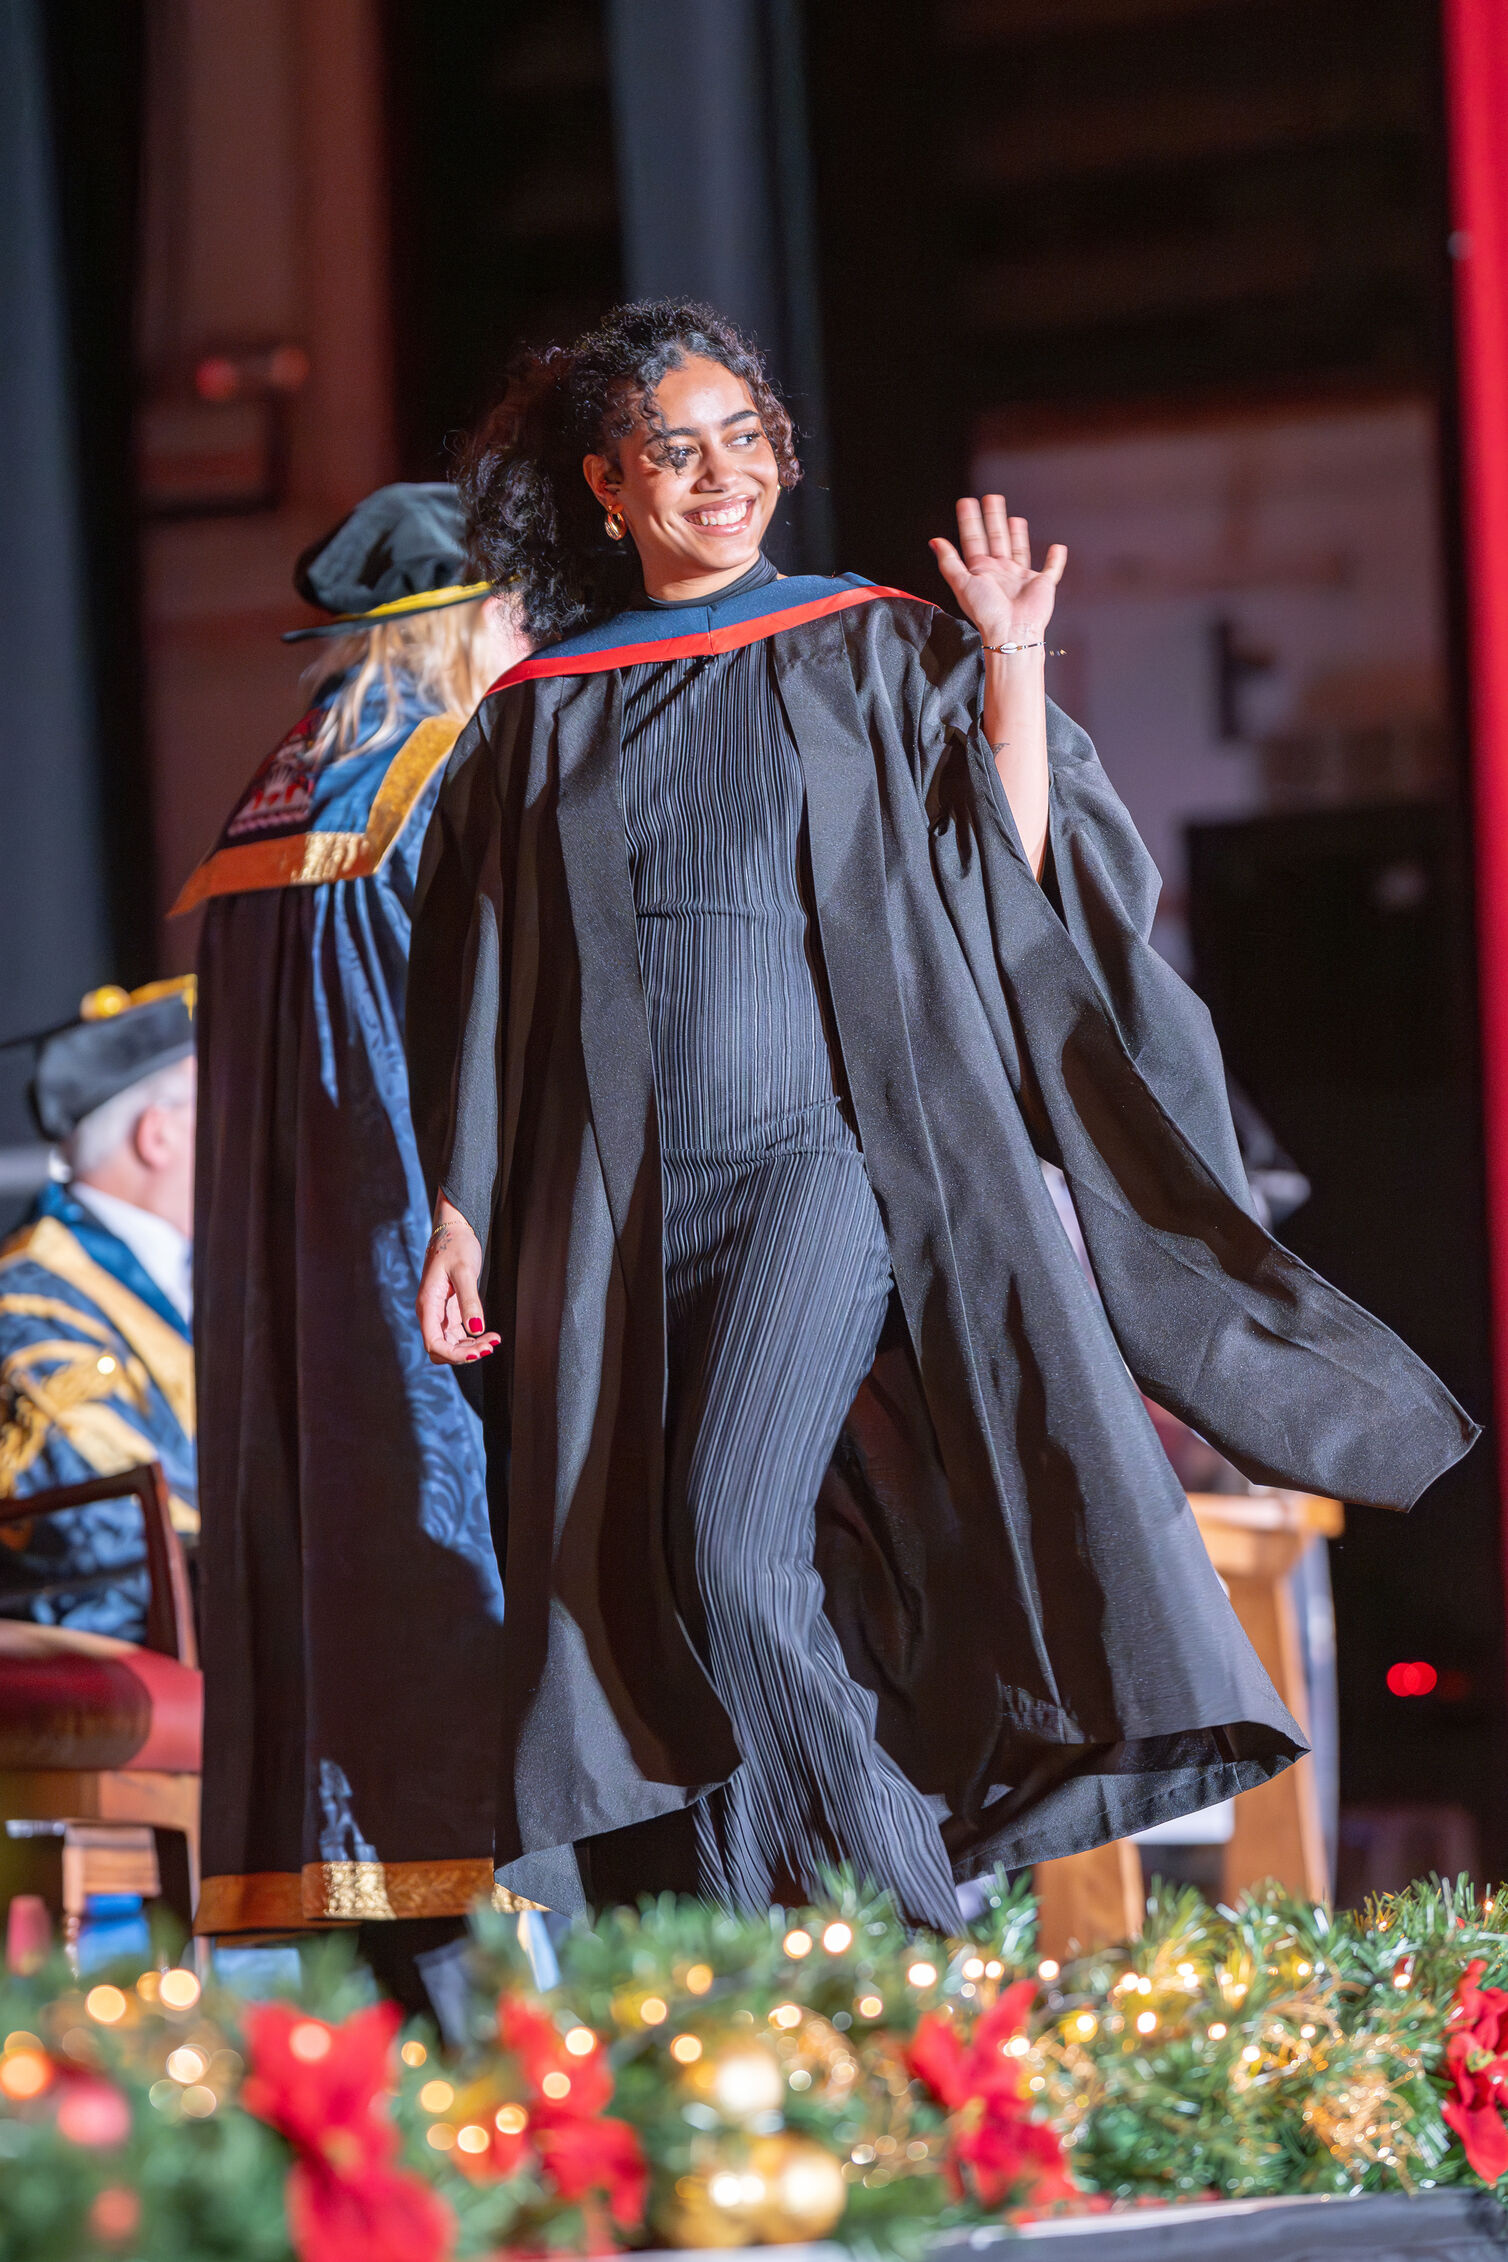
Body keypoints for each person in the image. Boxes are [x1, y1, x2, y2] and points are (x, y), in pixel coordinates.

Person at [408, 301, 1476, 1929]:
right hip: (618, 1204)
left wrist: (1008, 662)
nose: (722, 478)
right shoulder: (538, 717)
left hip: (820, 1165)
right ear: (607, 484)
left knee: (720, 1547)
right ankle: (754, 1970)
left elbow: (1005, 871)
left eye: (745, 441)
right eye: (676, 453)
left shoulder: (863, 637)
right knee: (648, 1587)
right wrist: (465, 1208)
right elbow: (482, 983)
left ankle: (912, 1933)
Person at [177, 484, 526, 1976]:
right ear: (467, 624)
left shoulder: (279, 795)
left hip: (292, 1292)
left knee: (333, 1591)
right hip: (426, 1257)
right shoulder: (447, 775)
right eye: (520, 609)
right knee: (450, 1585)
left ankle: (385, 2012)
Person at [0, 981, 197, 1642]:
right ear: (158, 1136)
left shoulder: (210, 1284)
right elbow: (103, 1538)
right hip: (142, 1651)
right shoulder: (30, 1303)